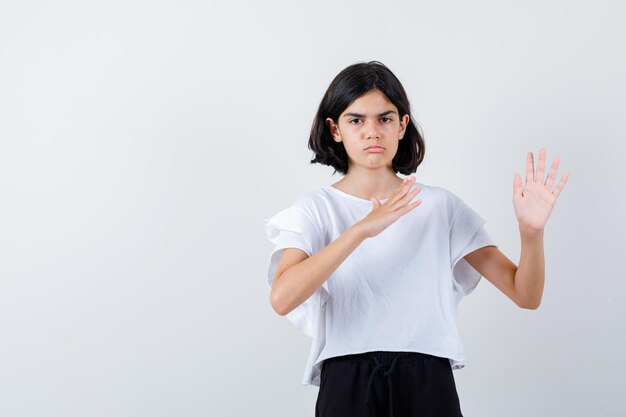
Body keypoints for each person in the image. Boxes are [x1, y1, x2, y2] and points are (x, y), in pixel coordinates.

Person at [263, 61, 569, 417]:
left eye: (385, 118)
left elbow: (526, 295)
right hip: (347, 378)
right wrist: (361, 229)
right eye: (356, 120)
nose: (372, 132)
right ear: (335, 129)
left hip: (427, 377)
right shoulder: (316, 209)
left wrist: (531, 234)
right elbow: (282, 298)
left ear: (402, 125)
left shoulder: (440, 206)